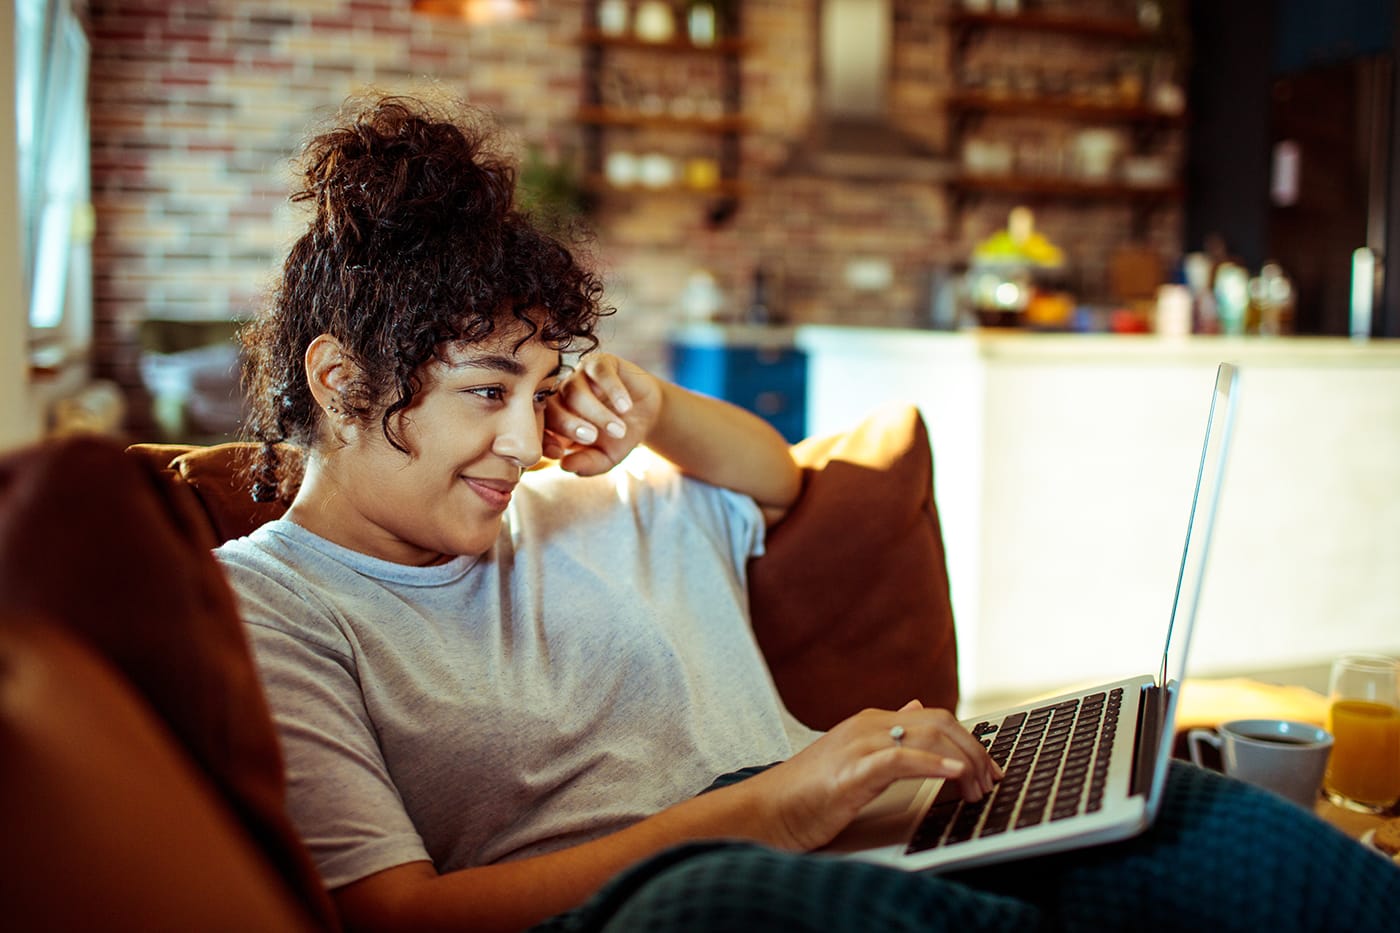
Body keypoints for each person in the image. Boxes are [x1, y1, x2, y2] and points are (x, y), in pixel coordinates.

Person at [217, 92, 1400, 933]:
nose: (525, 443)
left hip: (871, 838)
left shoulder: (597, 499)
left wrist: (656, 411)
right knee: (727, 899)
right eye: (487, 392)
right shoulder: (271, 604)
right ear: (339, 380)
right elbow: (393, 917)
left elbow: (783, 481)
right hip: (672, 902)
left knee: (1189, 820)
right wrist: (760, 814)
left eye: (543, 389)